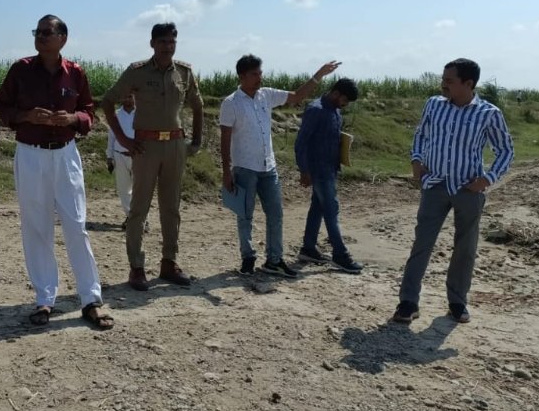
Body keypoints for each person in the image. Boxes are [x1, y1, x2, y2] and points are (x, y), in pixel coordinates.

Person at [0, 16, 113, 329]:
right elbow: (2, 107)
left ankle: (91, 299)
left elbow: (88, 112)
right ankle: (45, 299)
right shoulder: (21, 69)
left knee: (76, 225)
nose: (40, 37)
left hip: (65, 154)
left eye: (47, 32)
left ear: (63, 38)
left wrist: (73, 119)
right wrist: (26, 116)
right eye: (37, 32)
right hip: (30, 154)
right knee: (36, 227)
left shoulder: (75, 73)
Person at [392, 58, 514, 325]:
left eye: (449, 81)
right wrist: (416, 160)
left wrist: (487, 179)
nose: (443, 85)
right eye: (443, 79)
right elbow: (421, 134)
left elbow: (505, 150)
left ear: (468, 83)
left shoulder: (488, 113)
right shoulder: (434, 105)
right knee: (421, 244)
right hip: (434, 185)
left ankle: (457, 302)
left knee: (465, 248)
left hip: (468, 189)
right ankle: (408, 302)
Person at [101, 22, 203, 291]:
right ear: (152, 44)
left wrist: (196, 141)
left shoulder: (184, 72)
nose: (168, 47)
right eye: (162, 42)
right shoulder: (137, 72)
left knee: (171, 208)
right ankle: (136, 267)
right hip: (145, 147)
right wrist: (123, 139)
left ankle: (169, 263)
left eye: (172, 42)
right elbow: (107, 101)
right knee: (139, 209)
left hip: (175, 146)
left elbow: (198, 105)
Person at [220, 55, 341, 276]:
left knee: (275, 214)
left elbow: (296, 96)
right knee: (245, 215)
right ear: (242, 76)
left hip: (269, 167)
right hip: (244, 167)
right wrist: (226, 171)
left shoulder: (266, 95)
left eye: (260, 73)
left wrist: (319, 74)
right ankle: (248, 257)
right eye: (254, 74)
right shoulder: (231, 103)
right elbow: (225, 137)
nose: (259, 77)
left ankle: (274, 260)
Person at [294, 78, 364, 273]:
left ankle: (308, 248)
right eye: (345, 100)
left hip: (330, 169)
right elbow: (301, 143)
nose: (345, 104)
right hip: (318, 171)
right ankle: (340, 255)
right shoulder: (316, 110)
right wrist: (304, 170)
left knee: (318, 208)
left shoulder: (335, 111)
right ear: (336, 93)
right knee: (331, 210)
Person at [105, 93, 137, 229]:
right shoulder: (116, 115)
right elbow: (111, 137)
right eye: (125, 96)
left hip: (138, 156)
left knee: (140, 190)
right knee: (124, 189)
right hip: (119, 155)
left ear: (135, 97)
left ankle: (141, 219)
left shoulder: (143, 114)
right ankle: (131, 217)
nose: (127, 99)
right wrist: (109, 156)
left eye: (130, 96)